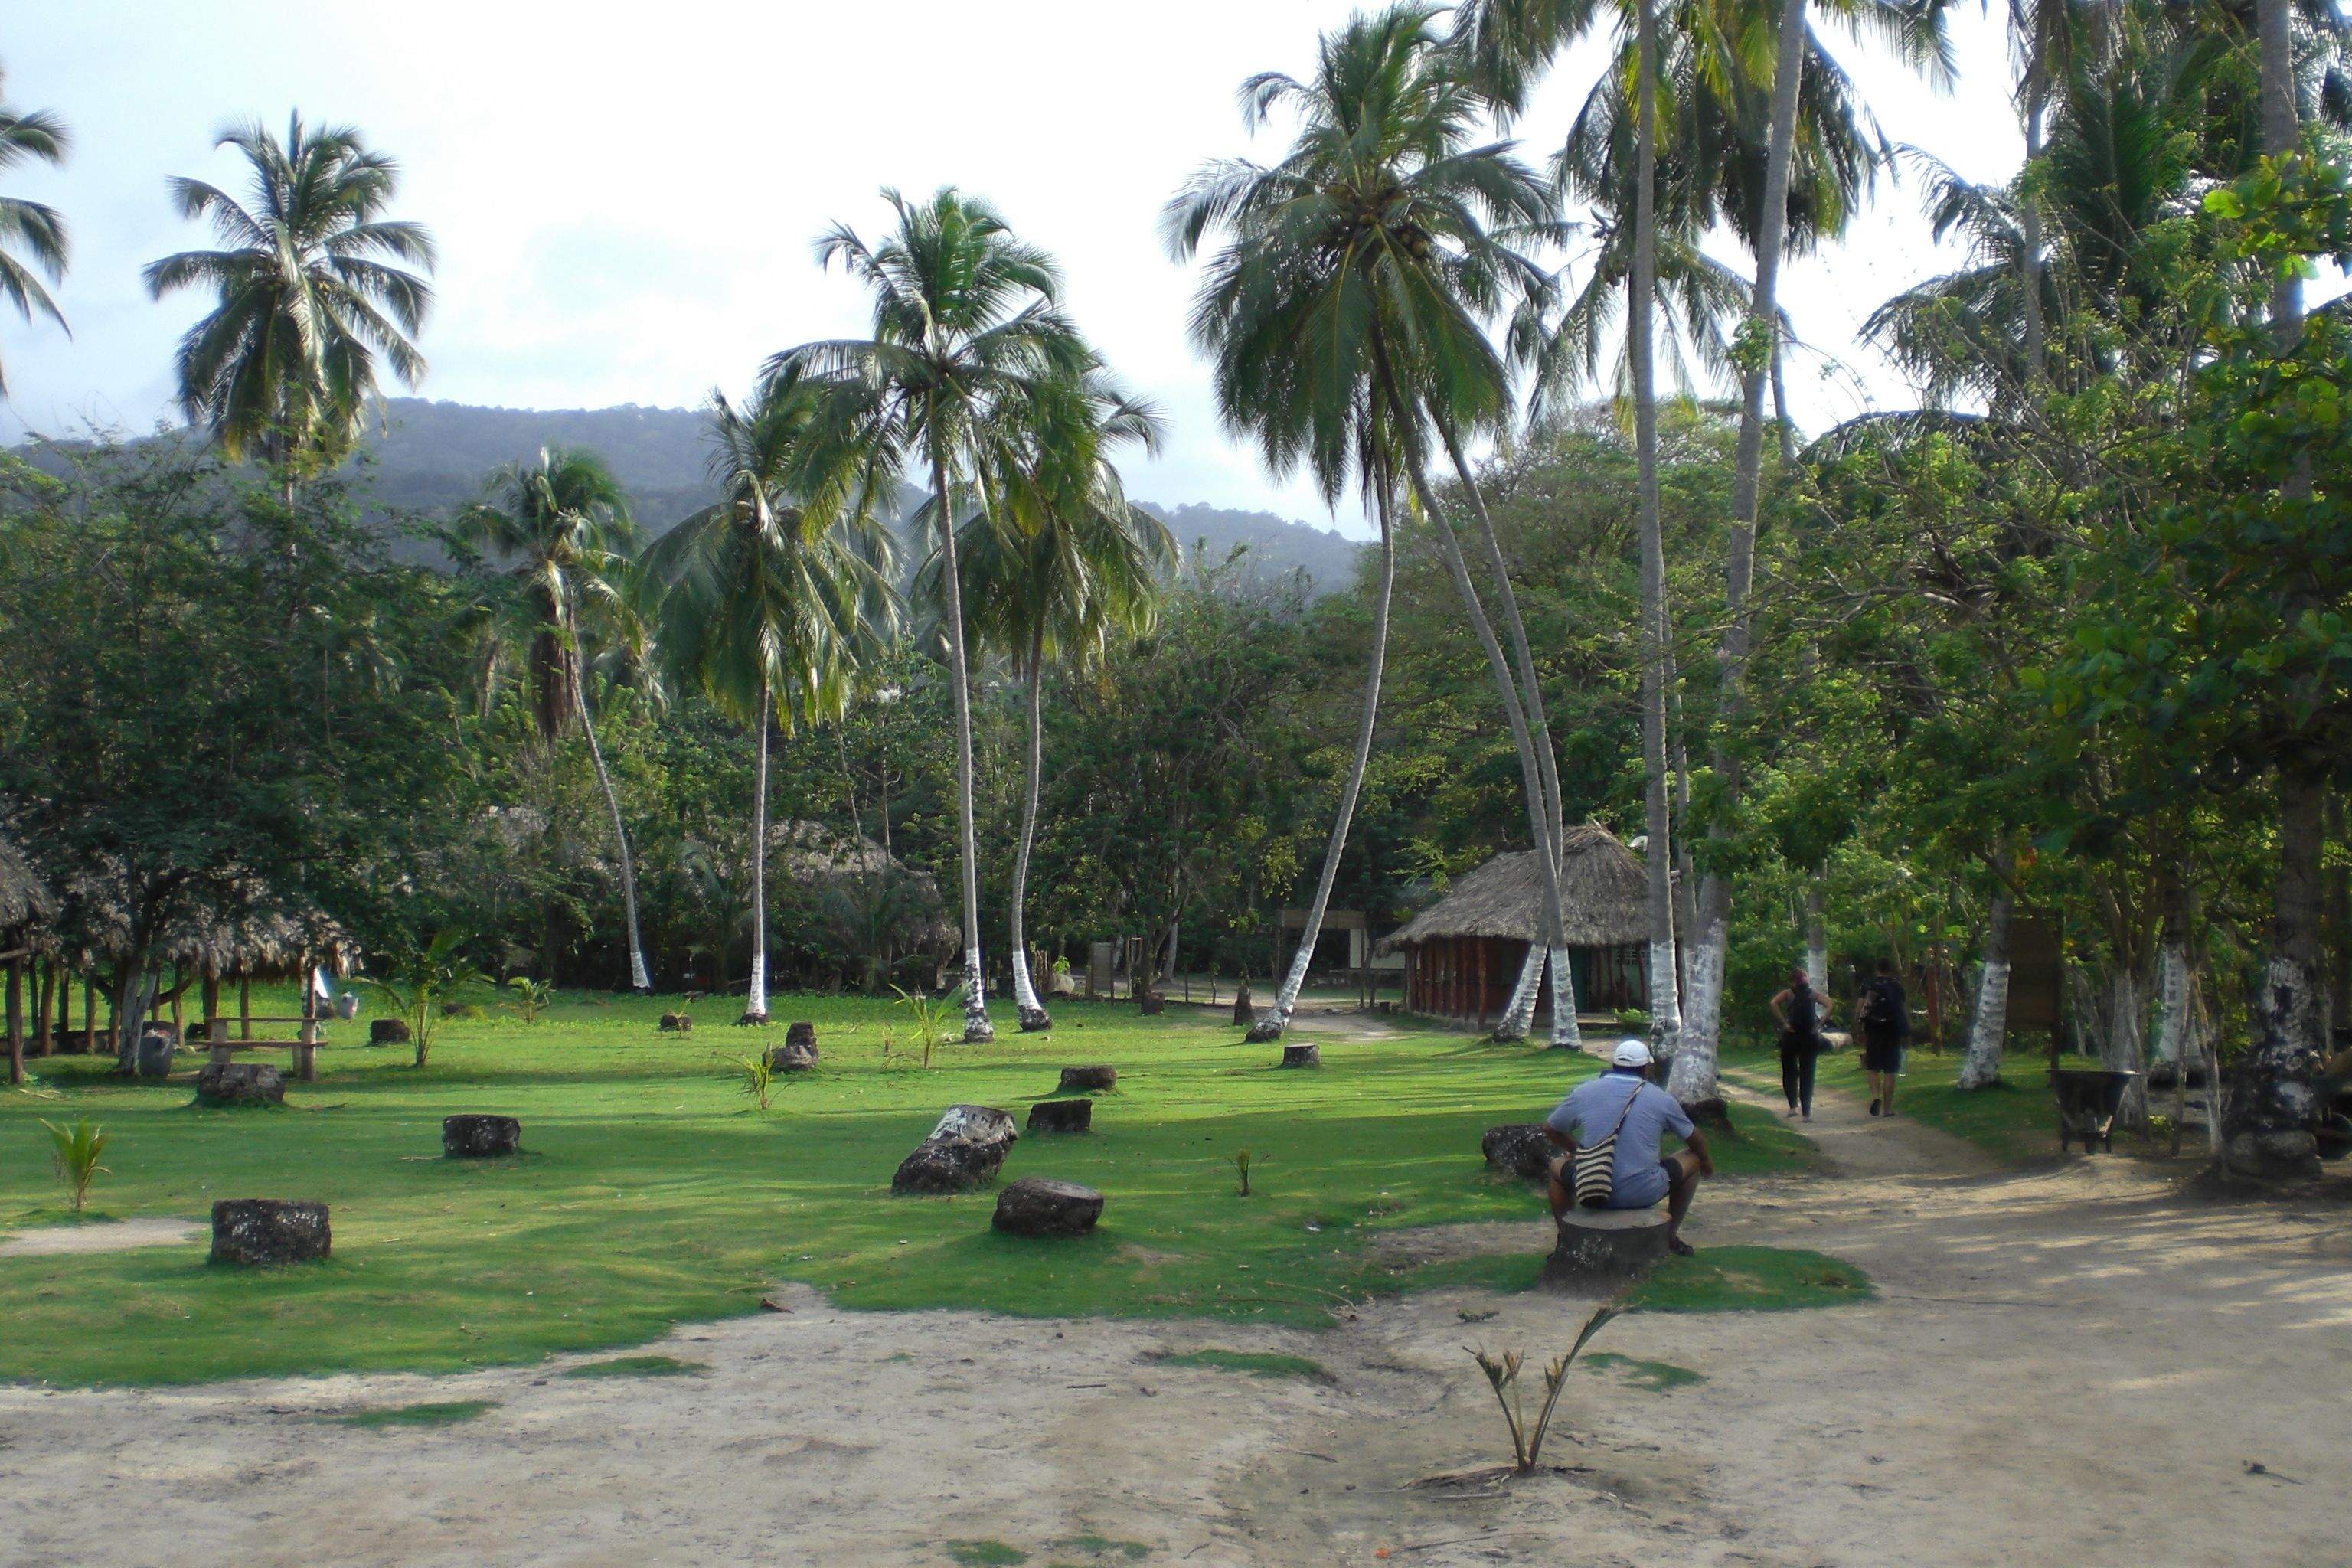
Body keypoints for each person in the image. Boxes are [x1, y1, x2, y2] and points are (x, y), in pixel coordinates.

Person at [1543, 1039, 1713, 1256]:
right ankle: (1670, 1235)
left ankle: (1565, 1238)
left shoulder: (1585, 1092)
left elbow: (1551, 1128)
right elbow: (1694, 1138)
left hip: (1591, 1186)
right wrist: (1707, 1163)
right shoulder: (1660, 1098)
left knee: (1557, 1166)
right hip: (1643, 1192)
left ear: (1613, 1064)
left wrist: (1577, 1151)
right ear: (1647, 1067)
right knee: (1693, 1158)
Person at [1768, 967, 1831, 1120]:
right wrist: (1820, 1023)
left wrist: (1784, 1023)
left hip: (1791, 1035)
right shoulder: (1812, 994)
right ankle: (1806, 1113)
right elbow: (1830, 1004)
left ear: (1793, 981)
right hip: (1809, 1035)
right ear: (1806, 980)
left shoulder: (1788, 993)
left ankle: (1792, 1107)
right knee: (1807, 1073)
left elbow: (1773, 1003)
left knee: (1789, 1071)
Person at [1857, 958, 1910, 1116]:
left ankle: (1875, 1097)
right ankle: (1887, 1109)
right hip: (1892, 1030)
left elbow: (1859, 1009)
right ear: (1891, 969)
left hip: (1873, 1030)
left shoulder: (1868, 985)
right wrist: (1906, 1032)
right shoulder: (1897, 987)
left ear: (1877, 969)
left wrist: (1859, 1028)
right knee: (1890, 1070)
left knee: (1873, 1068)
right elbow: (1902, 1011)